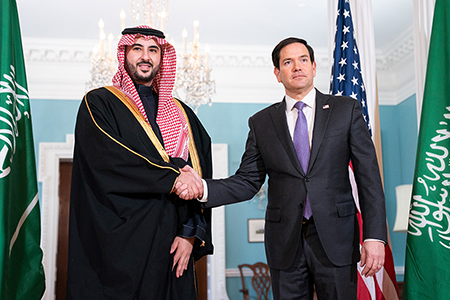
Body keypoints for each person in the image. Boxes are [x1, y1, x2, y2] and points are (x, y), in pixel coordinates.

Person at [175, 37, 387, 300]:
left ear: (313, 66)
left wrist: (375, 236)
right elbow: (247, 181)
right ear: (277, 73)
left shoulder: (345, 110)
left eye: (303, 60)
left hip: (337, 240)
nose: (297, 67)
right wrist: (202, 187)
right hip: (284, 245)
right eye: (288, 62)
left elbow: (369, 178)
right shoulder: (262, 122)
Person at [66, 25, 212, 300]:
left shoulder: (183, 115)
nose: (145, 56)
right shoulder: (99, 103)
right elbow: (112, 160)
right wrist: (173, 175)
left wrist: (191, 232)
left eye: (153, 50)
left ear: (162, 58)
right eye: (137, 48)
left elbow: (200, 172)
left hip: (173, 245)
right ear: (124, 54)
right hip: (118, 248)